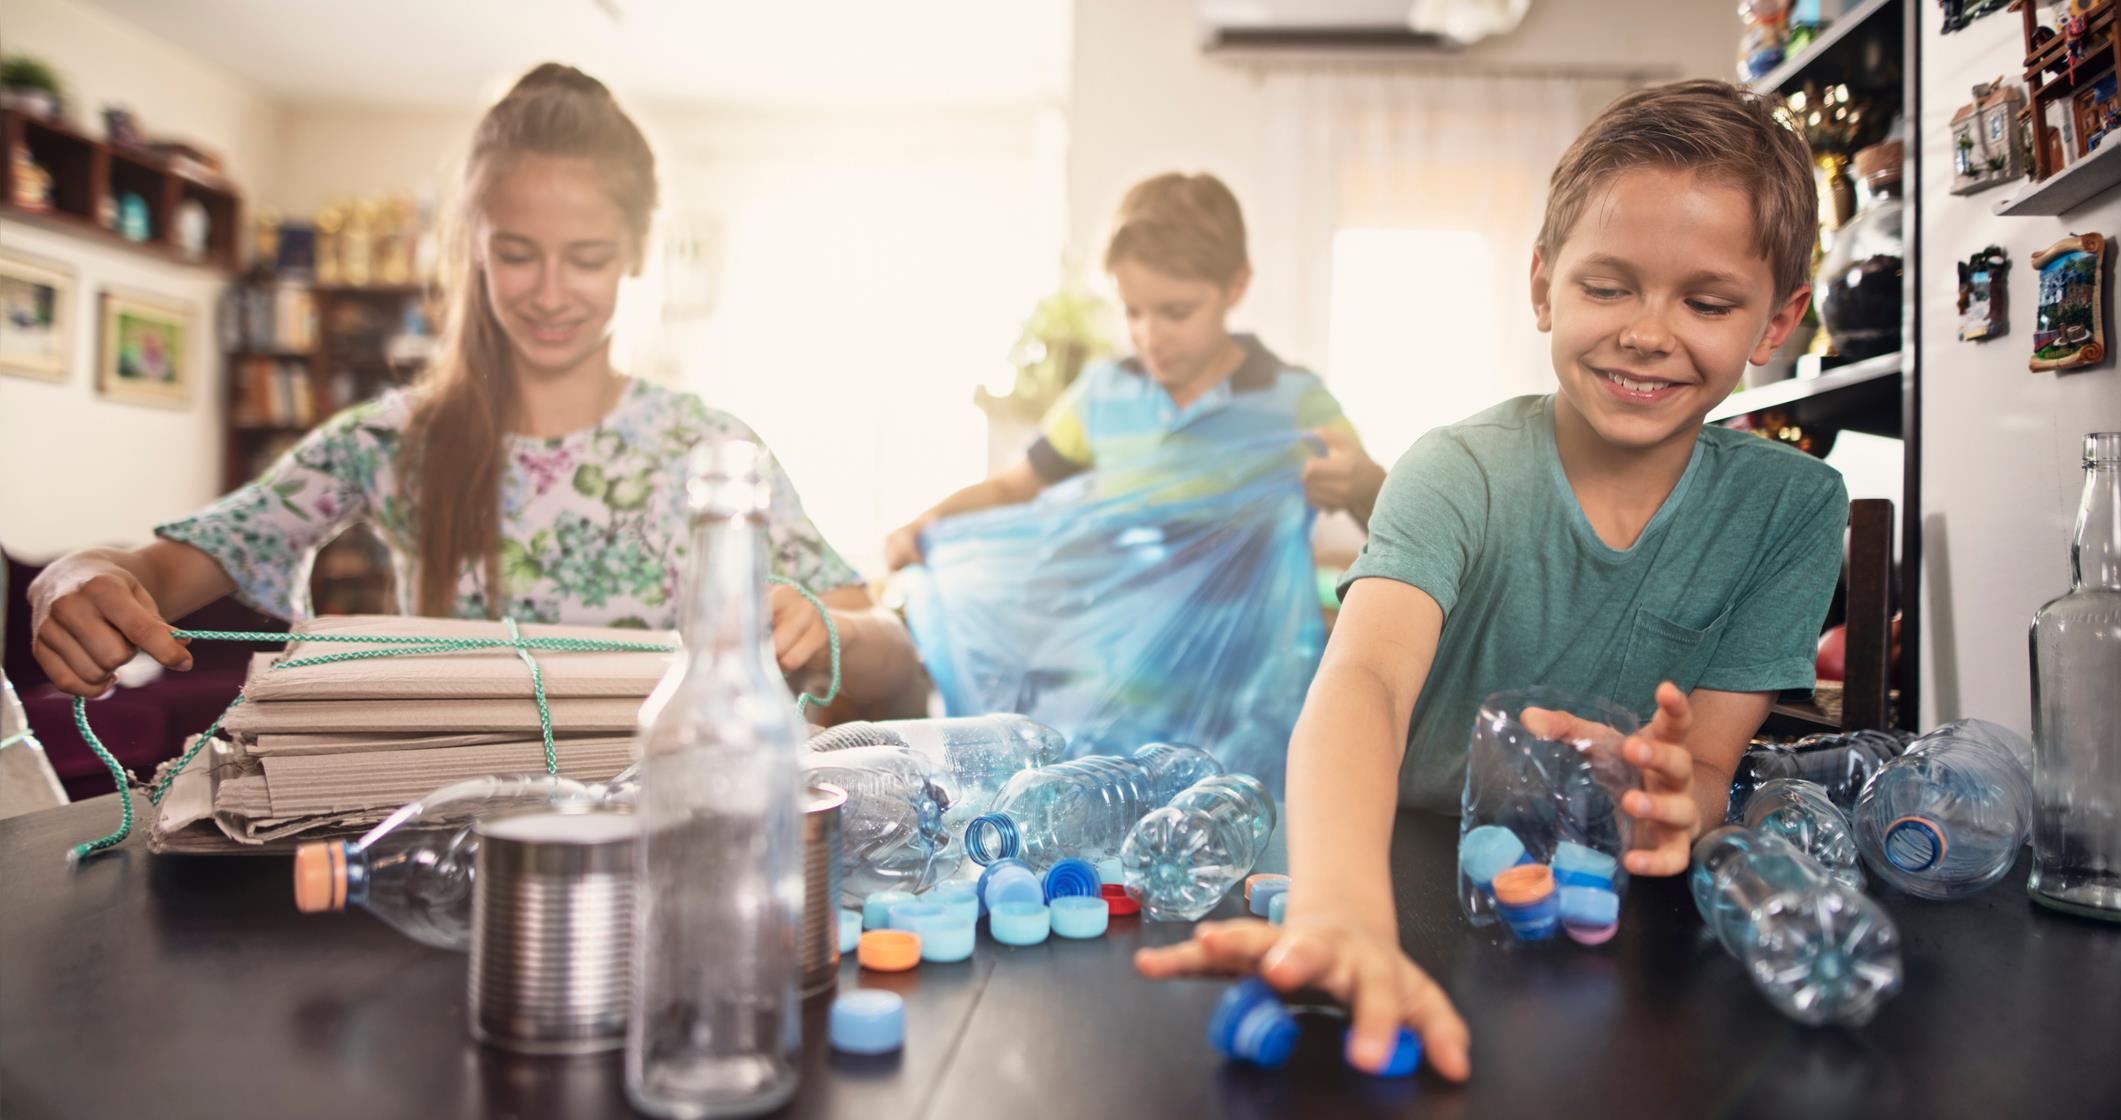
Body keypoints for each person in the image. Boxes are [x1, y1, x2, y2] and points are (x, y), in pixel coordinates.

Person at [1136, 81, 1848, 1082]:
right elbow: (1366, 680)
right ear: (1543, 284)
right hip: (1383, 848)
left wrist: (1669, 803)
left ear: (1777, 322)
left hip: (1589, 898)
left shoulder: (1797, 509)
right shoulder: (1455, 469)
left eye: (1706, 301)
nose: (1648, 331)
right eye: (1609, 287)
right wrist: (1340, 907)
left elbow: (1702, 776)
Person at [28, 63, 925, 721]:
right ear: (474, 248)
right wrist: (82, 575)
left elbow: (890, 659)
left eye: (588, 259)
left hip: (669, 843)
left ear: (640, 253)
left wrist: (830, 635)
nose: (547, 293)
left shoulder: (712, 450)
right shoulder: (390, 439)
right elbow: (165, 570)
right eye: (517, 254)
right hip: (446, 853)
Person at [883, 171, 1375, 568]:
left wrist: (1362, 483)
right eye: (1132, 311)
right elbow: (1012, 489)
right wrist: (926, 523)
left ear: (1236, 286)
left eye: (1176, 313)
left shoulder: (1293, 400)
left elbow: (1393, 517)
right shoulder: (1101, 395)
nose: (1149, 337)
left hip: (1257, 684)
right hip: (1120, 681)